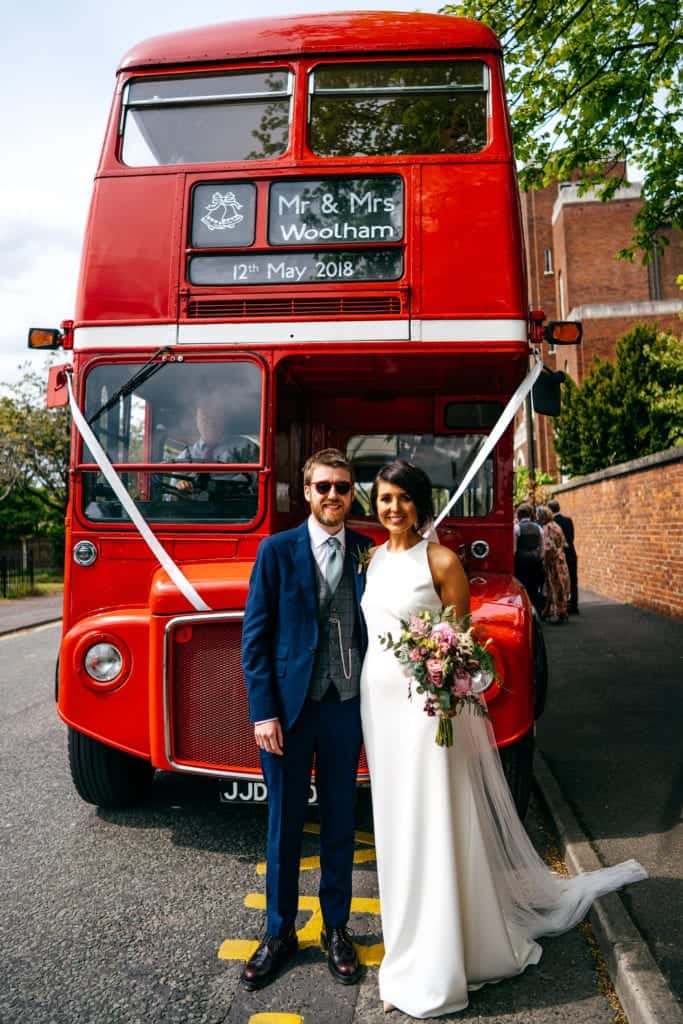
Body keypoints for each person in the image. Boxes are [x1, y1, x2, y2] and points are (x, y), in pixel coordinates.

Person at [360, 460, 647, 1019]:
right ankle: (409, 945)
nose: (391, 508)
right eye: (383, 499)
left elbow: (460, 643)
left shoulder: (441, 561)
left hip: (427, 713)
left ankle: (443, 960)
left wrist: (442, 676)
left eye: (401, 498)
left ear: (419, 503)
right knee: (395, 825)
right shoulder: (373, 559)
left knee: (435, 821)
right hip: (381, 709)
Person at [240, 448, 373, 991]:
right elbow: (255, 638)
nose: (333, 496)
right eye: (323, 487)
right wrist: (262, 711)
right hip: (289, 713)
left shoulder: (370, 552)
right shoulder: (276, 551)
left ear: (351, 492)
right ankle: (278, 933)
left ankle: (336, 930)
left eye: (342, 487)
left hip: (346, 706)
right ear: (307, 491)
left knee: (341, 821)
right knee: (285, 824)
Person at [166, 397, 258, 495]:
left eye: (215, 416)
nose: (209, 422)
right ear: (197, 421)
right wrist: (181, 486)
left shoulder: (245, 447)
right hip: (193, 508)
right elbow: (171, 494)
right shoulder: (185, 456)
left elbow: (259, 483)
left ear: (224, 418)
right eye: (204, 417)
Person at [537, 504, 571, 624]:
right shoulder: (557, 526)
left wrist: (545, 563)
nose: (538, 518)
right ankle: (550, 612)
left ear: (543, 517)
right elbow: (564, 544)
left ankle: (559, 614)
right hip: (562, 560)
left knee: (555, 588)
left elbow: (548, 549)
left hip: (553, 562)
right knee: (560, 587)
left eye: (539, 516)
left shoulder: (547, 528)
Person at [513, 502, 545, 615]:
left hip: (521, 562)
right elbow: (542, 548)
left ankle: (525, 613)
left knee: (522, 588)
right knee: (534, 588)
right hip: (535, 561)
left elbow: (514, 549)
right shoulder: (539, 528)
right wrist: (539, 559)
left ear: (519, 515)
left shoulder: (517, 528)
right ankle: (536, 613)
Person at [548, 498, 579, 614]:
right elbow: (572, 537)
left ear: (550, 510)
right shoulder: (568, 520)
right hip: (571, 553)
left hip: (560, 556)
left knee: (560, 582)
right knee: (573, 580)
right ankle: (574, 605)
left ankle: (562, 607)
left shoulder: (552, 524)